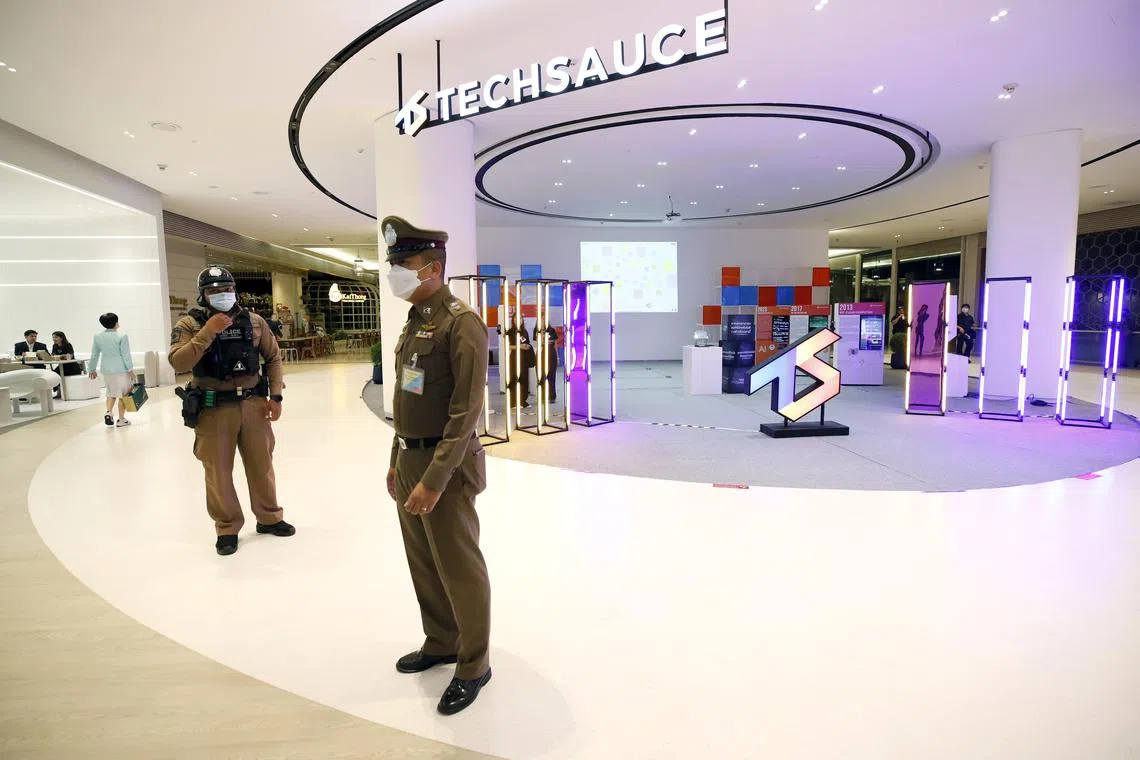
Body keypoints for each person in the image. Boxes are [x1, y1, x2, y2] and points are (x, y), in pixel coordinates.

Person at [382, 215, 492, 716]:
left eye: (402, 264)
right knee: (424, 562)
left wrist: (432, 478)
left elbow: (465, 413)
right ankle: (442, 640)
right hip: (410, 456)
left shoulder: (460, 322)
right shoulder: (416, 320)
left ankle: (474, 663)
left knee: (458, 565)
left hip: (443, 468)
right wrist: (396, 459)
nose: (395, 273)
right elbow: (407, 398)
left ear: (432, 267)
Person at [168, 267, 293, 556]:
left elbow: (273, 358)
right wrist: (208, 332)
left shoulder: (255, 321)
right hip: (213, 408)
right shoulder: (189, 324)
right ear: (203, 295)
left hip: (253, 405)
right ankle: (227, 527)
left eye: (226, 289)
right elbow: (178, 362)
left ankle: (269, 518)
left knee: (262, 466)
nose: (222, 295)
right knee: (218, 472)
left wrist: (276, 396)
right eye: (214, 290)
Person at [87, 313, 136, 427]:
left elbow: (94, 354)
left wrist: (92, 369)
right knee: (123, 394)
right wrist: (130, 369)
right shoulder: (122, 336)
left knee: (111, 392)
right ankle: (121, 419)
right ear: (115, 323)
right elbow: (126, 355)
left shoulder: (98, 337)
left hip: (106, 369)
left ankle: (108, 412)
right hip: (121, 369)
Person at [532, 322, 560, 403]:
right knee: (541, 375)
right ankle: (542, 397)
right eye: (542, 319)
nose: (544, 320)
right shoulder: (537, 330)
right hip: (541, 353)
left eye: (545, 319)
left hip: (551, 354)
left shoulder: (552, 330)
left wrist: (557, 357)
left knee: (551, 375)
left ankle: (552, 396)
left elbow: (555, 344)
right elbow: (537, 342)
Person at [50, 331, 82, 399]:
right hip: (62, 366)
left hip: (71, 366)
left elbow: (70, 355)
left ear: (61, 338)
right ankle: (58, 392)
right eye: (53, 337)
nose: (54, 339)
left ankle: (64, 392)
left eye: (56, 337)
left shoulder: (68, 345)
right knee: (54, 374)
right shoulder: (54, 346)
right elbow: (53, 355)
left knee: (58, 373)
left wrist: (61, 356)